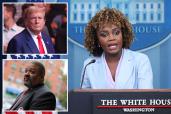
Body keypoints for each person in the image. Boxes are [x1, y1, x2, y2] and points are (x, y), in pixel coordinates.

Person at [81, 8, 153, 89]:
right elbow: (84, 99)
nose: (111, 38)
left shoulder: (141, 61)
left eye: (116, 33)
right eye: (104, 35)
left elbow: (146, 98)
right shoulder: (89, 65)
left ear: (123, 34)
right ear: (96, 39)